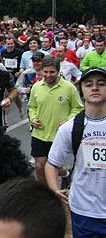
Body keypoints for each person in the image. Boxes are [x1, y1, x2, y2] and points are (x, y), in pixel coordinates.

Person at [46, 67, 106, 238]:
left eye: (101, 83)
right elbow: (52, 164)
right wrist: (54, 189)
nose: (95, 87)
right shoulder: (71, 127)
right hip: (85, 209)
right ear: (81, 89)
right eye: (89, 83)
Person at [29, 55, 83, 184]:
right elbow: (32, 106)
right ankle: (45, 194)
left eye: (52, 72)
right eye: (45, 72)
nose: (48, 75)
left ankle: (66, 174)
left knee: (53, 166)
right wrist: (33, 118)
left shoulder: (69, 88)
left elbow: (78, 108)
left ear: (58, 71)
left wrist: (68, 121)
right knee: (39, 166)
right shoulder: (37, 86)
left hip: (59, 135)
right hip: (40, 133)